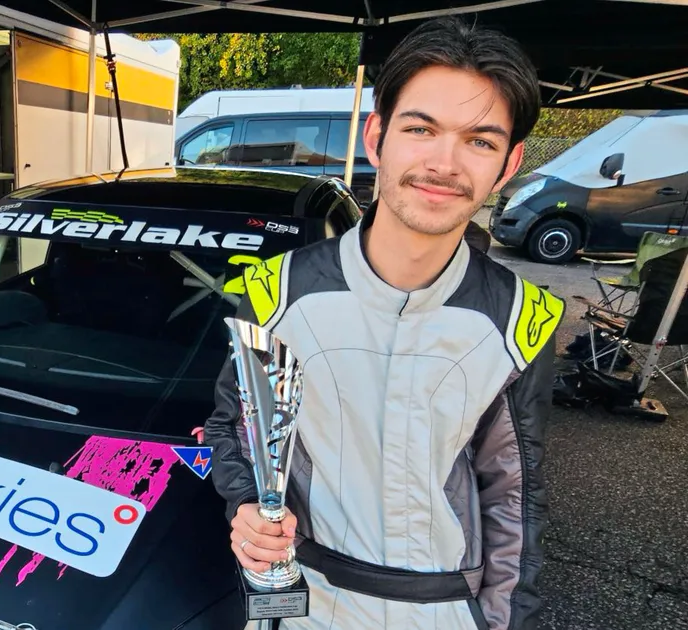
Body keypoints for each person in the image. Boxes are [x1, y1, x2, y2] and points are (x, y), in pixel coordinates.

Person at [204, 16, 563, 630]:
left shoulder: (522, 318)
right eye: (421, 129)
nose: (444, 163)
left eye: (480, 141)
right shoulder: (275, 293)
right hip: (302, 602)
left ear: (509, 163)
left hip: (444, 612)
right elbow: (234, 428)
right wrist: (245, 504)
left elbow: (514, 503)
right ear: (377, 137)